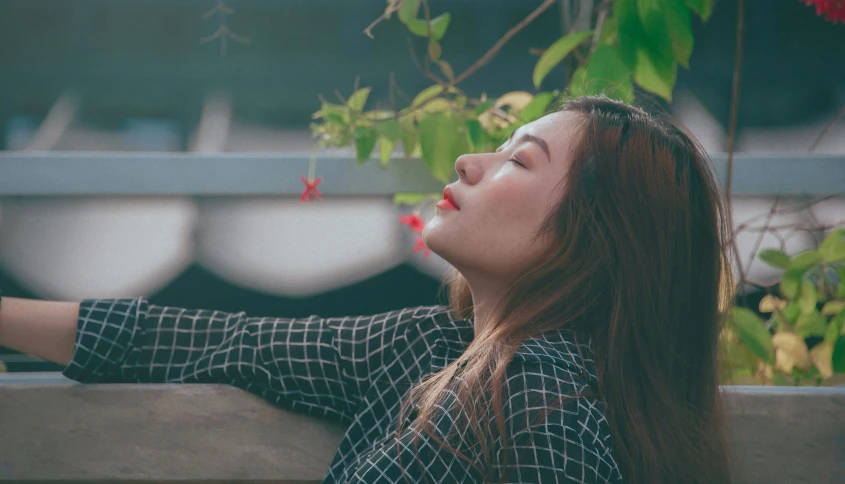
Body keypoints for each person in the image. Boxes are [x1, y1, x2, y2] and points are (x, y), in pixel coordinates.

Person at [0, 95, 734, 484]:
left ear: (593, 234)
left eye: (519, 161)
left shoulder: (544, 399)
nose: (471, 162)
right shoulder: (431, 346)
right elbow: (213, 339)